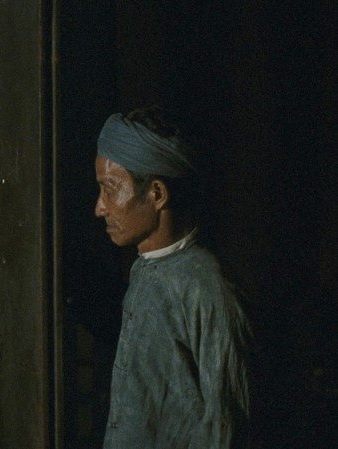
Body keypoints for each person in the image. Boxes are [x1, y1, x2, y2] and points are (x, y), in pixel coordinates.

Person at [94, 106, 252, 448]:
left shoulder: (207, 289)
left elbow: (225, 427)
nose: (100, 207)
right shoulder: (146, 271)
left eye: (110, 189)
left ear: (157, 194)